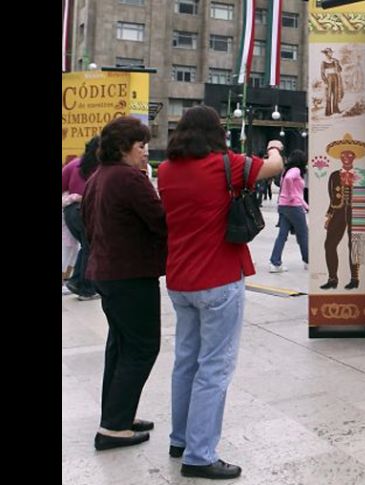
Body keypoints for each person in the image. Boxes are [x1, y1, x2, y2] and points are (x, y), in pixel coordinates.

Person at [157, 105, 284, 480]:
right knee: (214, 366)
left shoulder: (165, 170)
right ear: (217, 133)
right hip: (219, 277)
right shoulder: (225, 164)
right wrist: (275, 146)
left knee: (186, 361)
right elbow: (273, 167)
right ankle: (199, 454)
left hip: (180, 279)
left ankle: (180, 439)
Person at [80, 116, 167, 451]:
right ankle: (114, 428)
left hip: (106, 273)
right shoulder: (131, 178)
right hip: (131, 275)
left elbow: (87, 224)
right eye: (141, 146)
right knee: (143, 347)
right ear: (123, 148)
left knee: (119, 348)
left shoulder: (98, 177)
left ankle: (117, 415)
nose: (145, 153)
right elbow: (160, 222)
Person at [320, 133, 365, 290]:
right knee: (329, 245)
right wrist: (328, 217)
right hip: (337, 213)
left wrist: (362, 208)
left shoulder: (362, 175)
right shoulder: (334, 176)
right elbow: (332, 199)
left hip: (356, 214)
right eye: (343, 154)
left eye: (349, 154)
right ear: (340, 156)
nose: (346, 156)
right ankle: (332, 278)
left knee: (355, 245)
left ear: (354, 156)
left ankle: (355, 279)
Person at [63, 136, 101, 300]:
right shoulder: (101, 168)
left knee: (87, 247)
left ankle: (76, 281)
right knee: (90, 247)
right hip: (86, 212)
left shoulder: (73, 165)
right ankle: (84, 287)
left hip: (71, 212)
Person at [269, 149, 309, 272]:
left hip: (284, 205)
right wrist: (292, 197)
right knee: (303, 234)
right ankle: (308, 260)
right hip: (293, 206)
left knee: (282, 235)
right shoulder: (296, 170)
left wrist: (305, 205)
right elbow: (290, 185)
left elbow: (292, 189)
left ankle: (275, 262)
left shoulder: (286, 171)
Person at [321, 47, 344, 116]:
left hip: (335, 77)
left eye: (331, 52)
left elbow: (340, 70)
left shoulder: (335, 61)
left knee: (336, 94)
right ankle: (328, 112)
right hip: (328, 78)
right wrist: (325, 82)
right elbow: (322, 73)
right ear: (326, 54)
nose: (331, 54)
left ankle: (335, 109)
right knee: (328, 95)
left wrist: (337, 63)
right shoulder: (323, 62)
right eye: (329, 52)